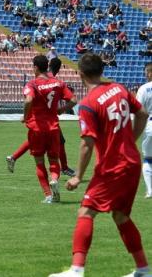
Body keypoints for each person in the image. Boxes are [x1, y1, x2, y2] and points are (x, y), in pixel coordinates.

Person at [49, 54, 151, 277]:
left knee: (86, 211)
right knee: (120, 216)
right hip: (132, 162)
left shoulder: (88, 104)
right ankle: (144, 269)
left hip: (112, 166)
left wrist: (77, 176)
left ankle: (76, 270)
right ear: (102, 69)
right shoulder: (120, 88)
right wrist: (129, 140)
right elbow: (142, 114)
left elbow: (87, 144)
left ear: (81, 74)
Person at [6, 58, 76, 177]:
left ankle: (13, 157)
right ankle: (64, 168)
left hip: (40, 119)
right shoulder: (51, 77)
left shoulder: (44, 76)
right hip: (48, 118)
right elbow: (71, 99)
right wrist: (60, 109)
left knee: (35, 139)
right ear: (58, 68)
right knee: (60, 142)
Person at [22, 55, 76, 204]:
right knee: (53, 160)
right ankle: (54, 179)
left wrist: (25, 116)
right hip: (53, 128)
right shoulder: (58, 83)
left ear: (35, 67)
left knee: (39, 162)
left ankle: (48, 195)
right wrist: (61, 110)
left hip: (37, 128)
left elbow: (29, 100)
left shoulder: (32, 84)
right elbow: (73, 100)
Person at [136, 62, 152, 199]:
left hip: (149, 127)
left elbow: (138, 110)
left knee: (148, 159)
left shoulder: (144, 89)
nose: (145, 74)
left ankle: (150, 191)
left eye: (147, 72)